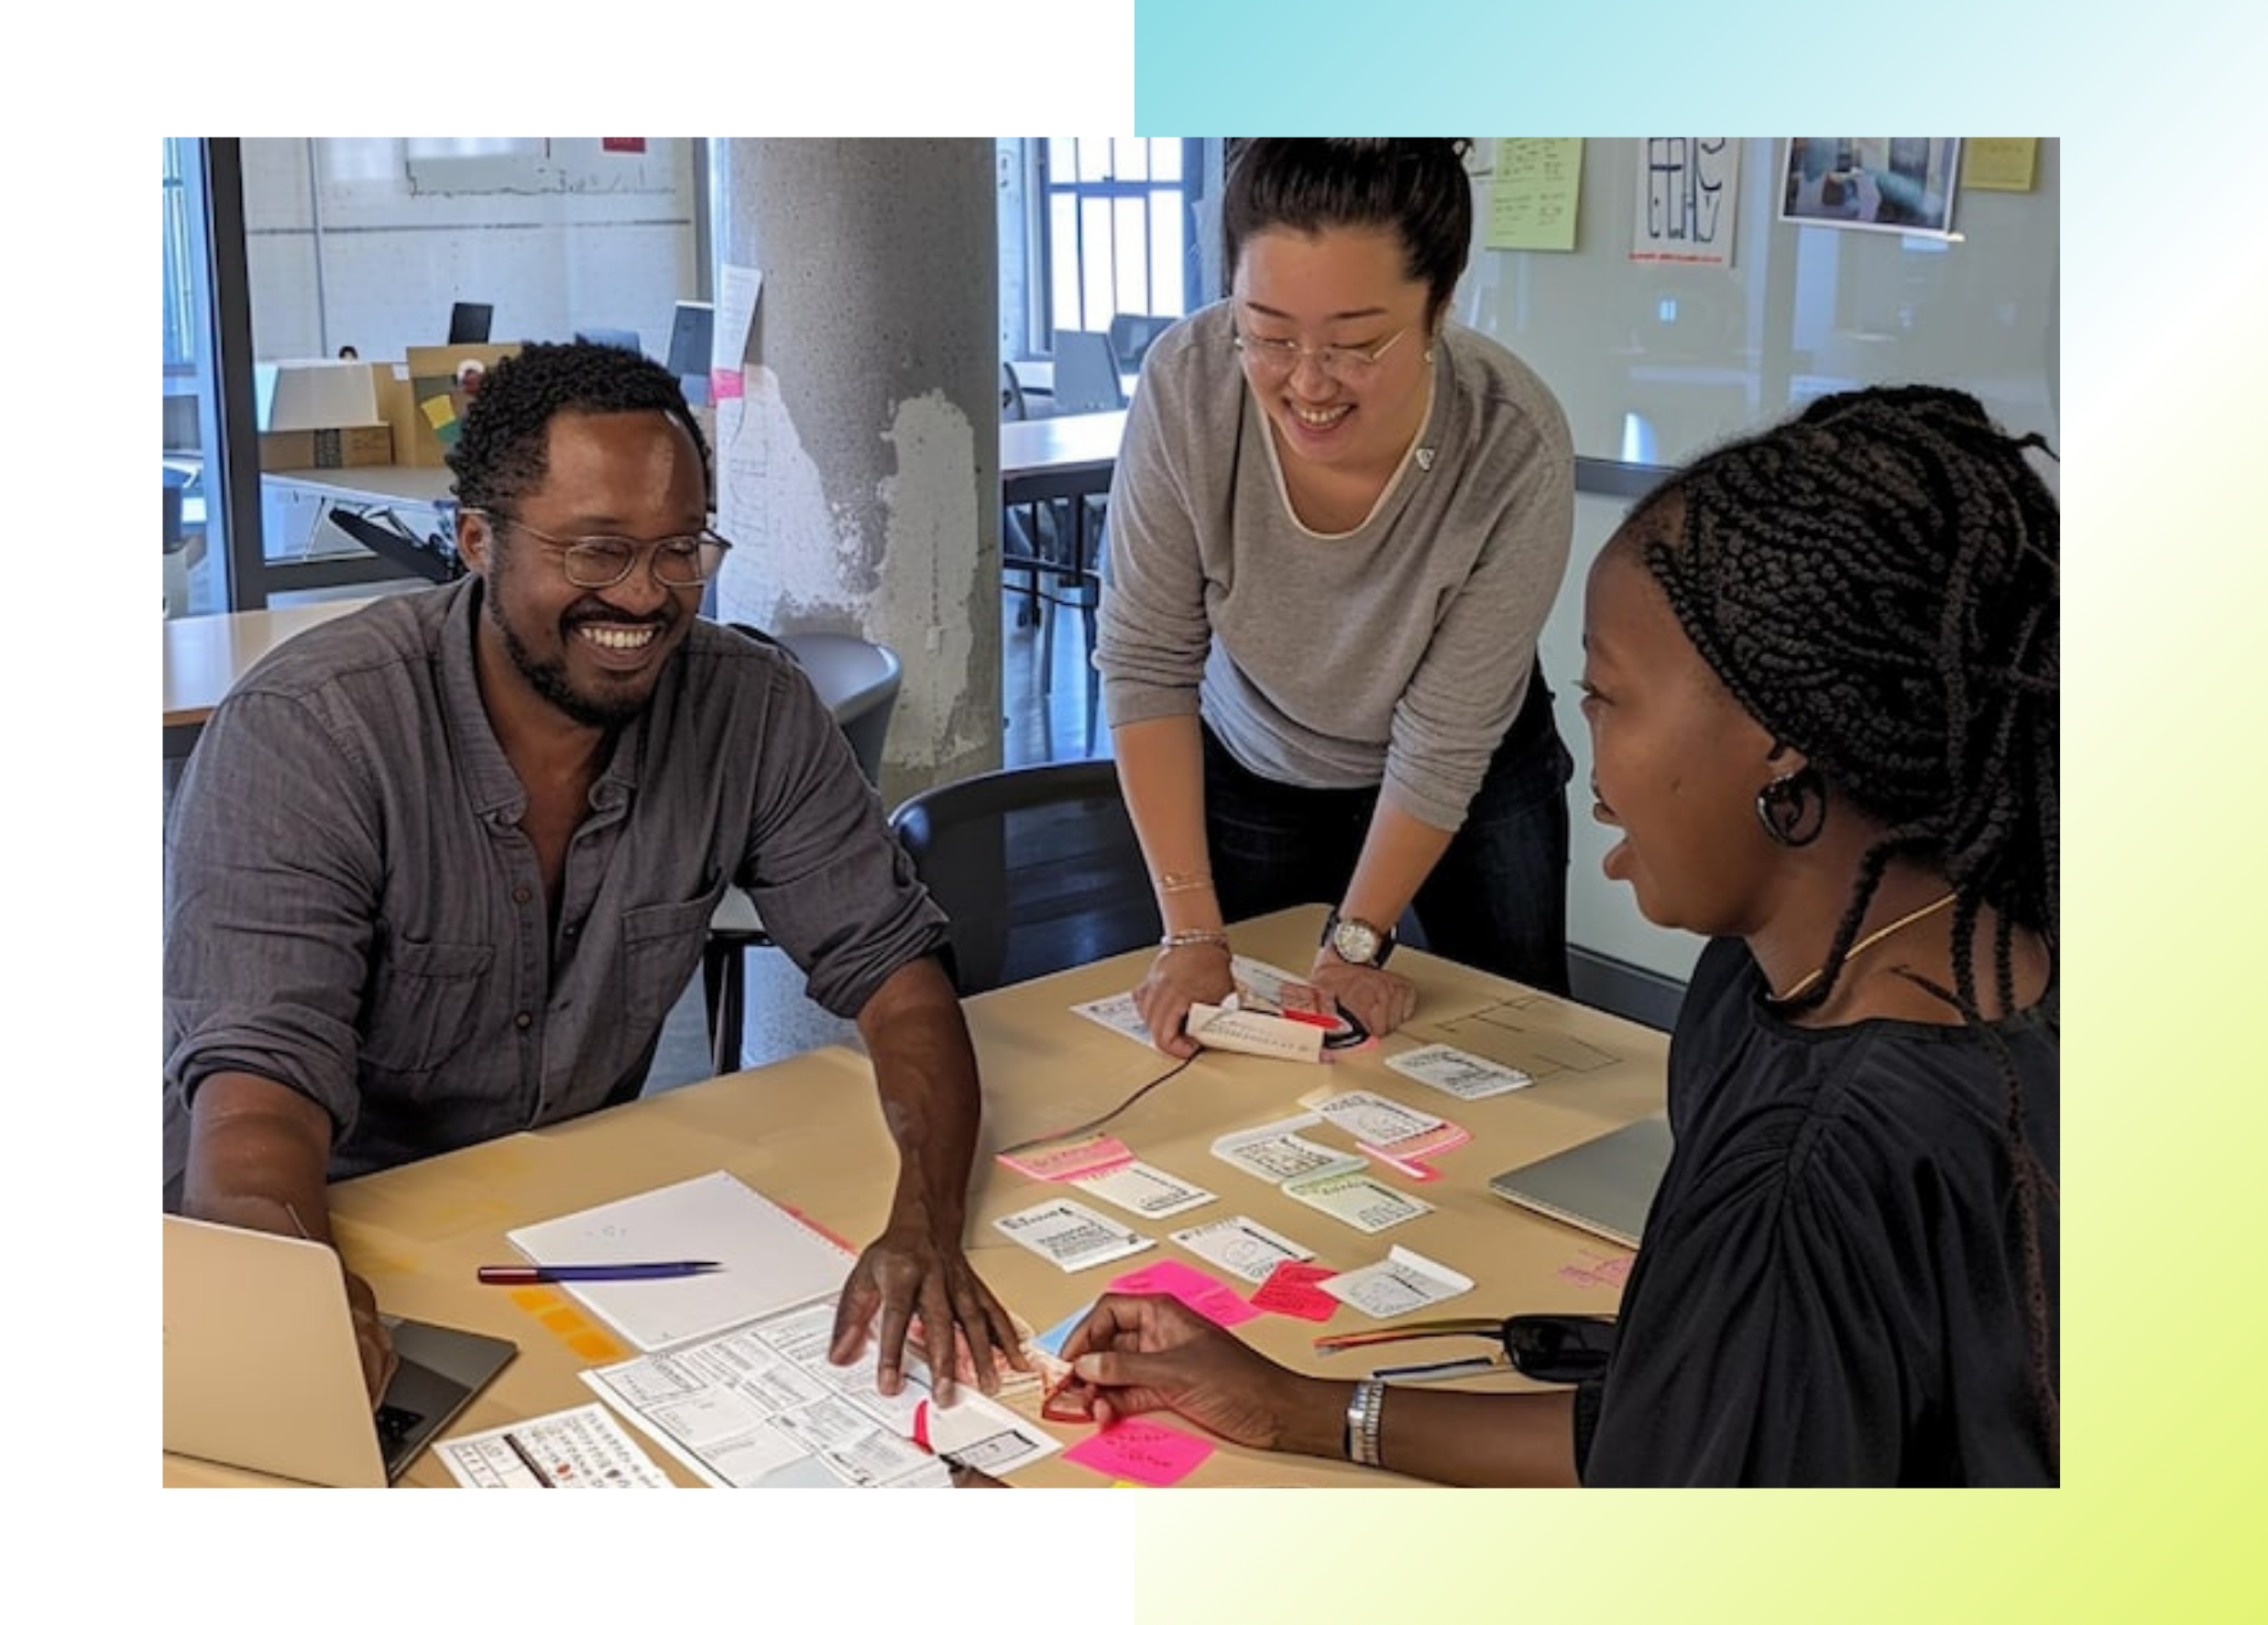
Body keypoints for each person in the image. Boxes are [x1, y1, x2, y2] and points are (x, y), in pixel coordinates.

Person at [1057, 386, 2060, 1486]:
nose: (1589, 764)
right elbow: (1678, 1433)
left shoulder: (1819, 1170)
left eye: (1607, 698)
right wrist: (1297, 1407)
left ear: (1780, 738)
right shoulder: (1840, 974)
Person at [164, 339, 1024, 1411]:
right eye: (596, 553)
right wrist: (286, 1290)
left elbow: (898, 980)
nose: (646, 597)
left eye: (678, 553)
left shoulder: (747, 706)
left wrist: (926, 1225)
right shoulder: (313, 732)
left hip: (563, 1224)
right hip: (315, 1220)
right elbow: (257, 1097)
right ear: (477, 540)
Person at [1096, 139, 1577, 1058]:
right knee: (1245, 1049)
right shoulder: (1189, 384)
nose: (1307, 383)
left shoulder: (1512, 441)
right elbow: (1148, 659)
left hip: (1468, 770)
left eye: (1355, 344)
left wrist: (1359, 940)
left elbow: (1446, 737)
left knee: (1513, 1042)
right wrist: (1191, 933)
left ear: (1439, 306)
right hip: (1257, 750)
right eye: (1268, 335)